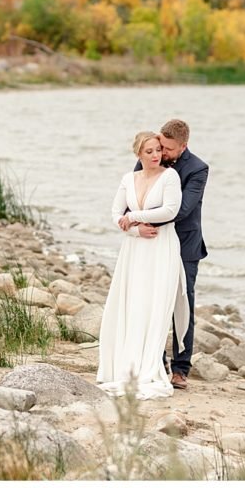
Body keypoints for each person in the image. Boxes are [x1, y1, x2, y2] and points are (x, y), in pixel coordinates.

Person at [96, 131, 190, 400]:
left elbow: (170, 211)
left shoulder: (169, 177)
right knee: (132, 302)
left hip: (161, 246)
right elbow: (116, 214)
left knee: (154, 304)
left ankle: (150, 366)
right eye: (149, 151)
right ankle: (125, 365)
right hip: (135, 247)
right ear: (138, 153)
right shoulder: (129, 178)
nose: (155, 155)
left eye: (158, 150)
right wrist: (135, 231)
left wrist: (134, 216)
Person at [129, 119, 208, 390]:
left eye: (168, 149)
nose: (161, 154)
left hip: (185, 244)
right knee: (153, 302)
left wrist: (140, 221)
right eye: (160, 146)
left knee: (182, 304)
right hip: (153, 243)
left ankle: (181, 369)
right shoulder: (150, 158)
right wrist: (136, 228)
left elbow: (182, 210)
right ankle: (156, 362)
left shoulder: (197, 169)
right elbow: (135, 196)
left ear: (184, 146)